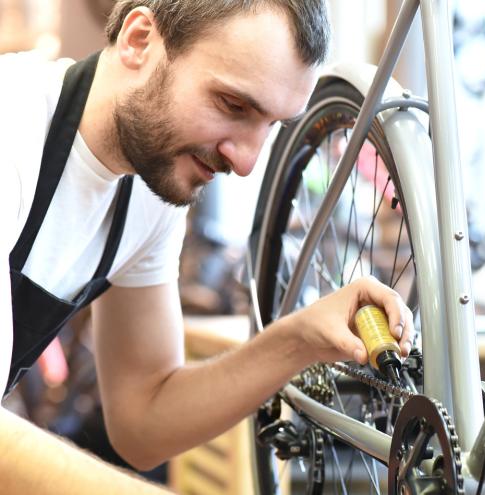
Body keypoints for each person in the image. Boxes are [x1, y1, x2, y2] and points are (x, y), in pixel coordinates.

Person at [0, 1, 415, 492]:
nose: (244, 162)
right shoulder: (13, 128)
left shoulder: (147, 190)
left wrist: (299, 339)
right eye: (233, 105)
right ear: (139, 41)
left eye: (271, 126)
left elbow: (143, 420)